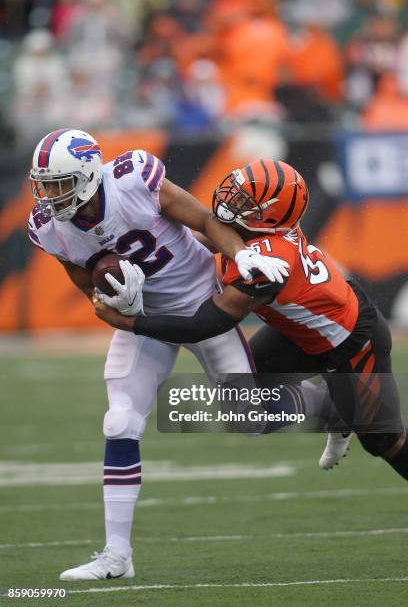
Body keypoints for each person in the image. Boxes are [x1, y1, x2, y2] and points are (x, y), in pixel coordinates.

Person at [27, 128, 291, 581]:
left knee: (250, 421)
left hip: (201, 305)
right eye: (44, 185)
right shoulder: (50, 228)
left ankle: (330, 404)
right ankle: (116, 556)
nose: (50, 197)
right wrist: (114, 303)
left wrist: (241, 257)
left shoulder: (133, 180)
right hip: (146, 319)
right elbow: (86, 283)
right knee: (120, 421)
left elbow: (206, 221)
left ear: (90, 174)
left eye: (60, 185)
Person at [95, 158, 406, 481]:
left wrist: (131, 323)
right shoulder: (251, 229)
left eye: (245, 200)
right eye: (237, 190)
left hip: (352, 342)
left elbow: (205, 324)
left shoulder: (268, 264)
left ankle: (344, 411)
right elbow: (185, 247)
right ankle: (334, 410)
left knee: (384, 441)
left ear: (270, 214)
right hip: (300, 332)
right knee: (243, 400)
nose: (231, 201)